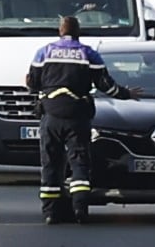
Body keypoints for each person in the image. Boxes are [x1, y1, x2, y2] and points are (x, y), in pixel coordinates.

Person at [29, 14, 121, 224]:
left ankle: (50, 213)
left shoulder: (44, 52)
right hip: (77, 117)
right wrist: (126, 94)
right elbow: (106, 85)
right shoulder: (89, 54)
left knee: (50, 164)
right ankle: (80, 209)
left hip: (51, 116)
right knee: (79, 163)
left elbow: (33, 83)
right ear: (78, 32)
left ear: (60, 31)